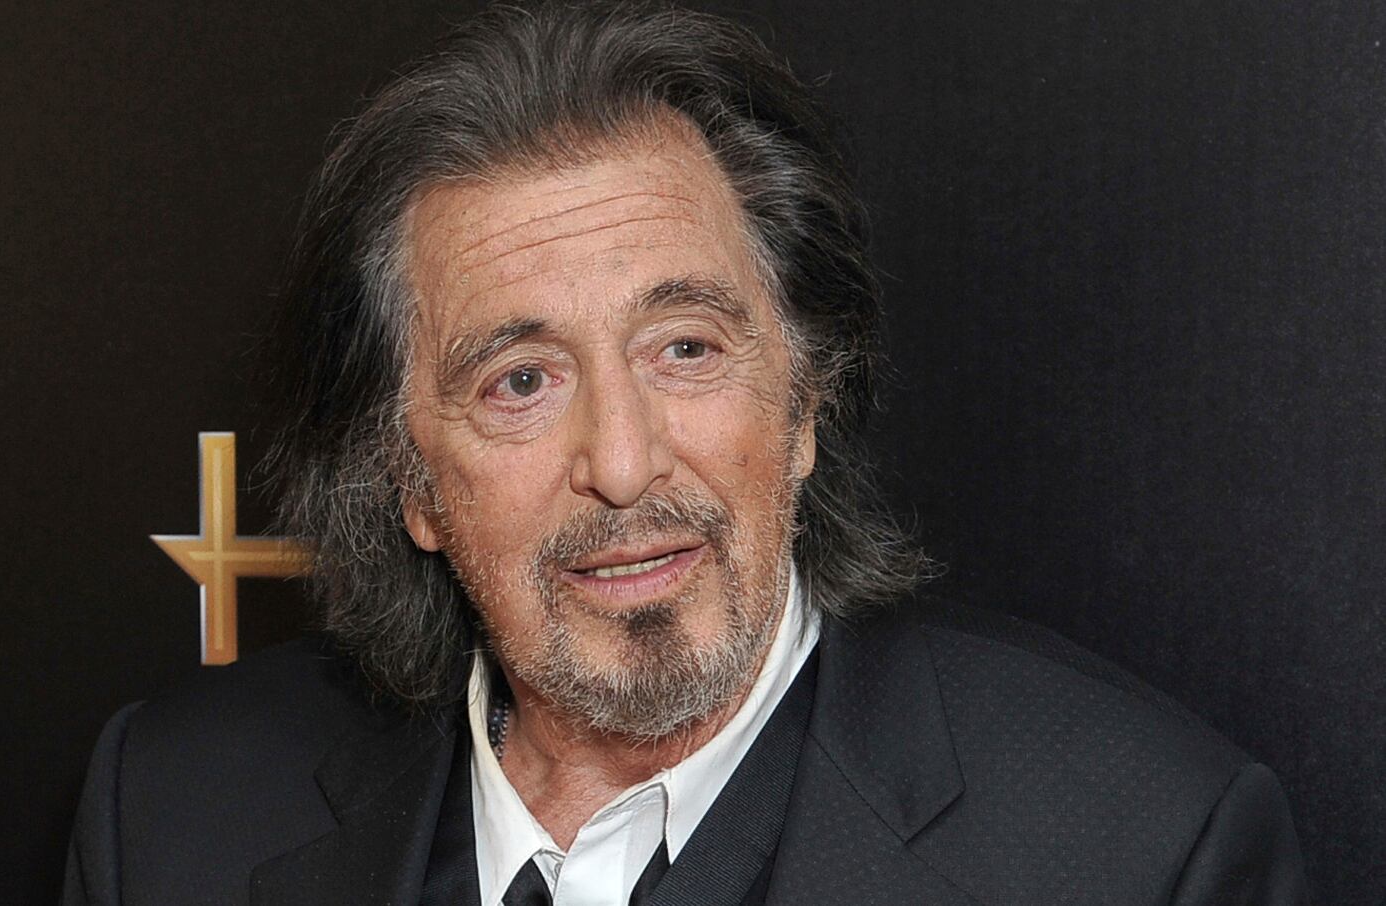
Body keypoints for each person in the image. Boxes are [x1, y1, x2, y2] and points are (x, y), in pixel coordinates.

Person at [63, 3, 1306, 903]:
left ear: (805, 399)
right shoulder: (170, 815)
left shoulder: (1139, 852)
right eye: (521, 381)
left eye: (685, 349)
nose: (622, 462)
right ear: (408, 477)